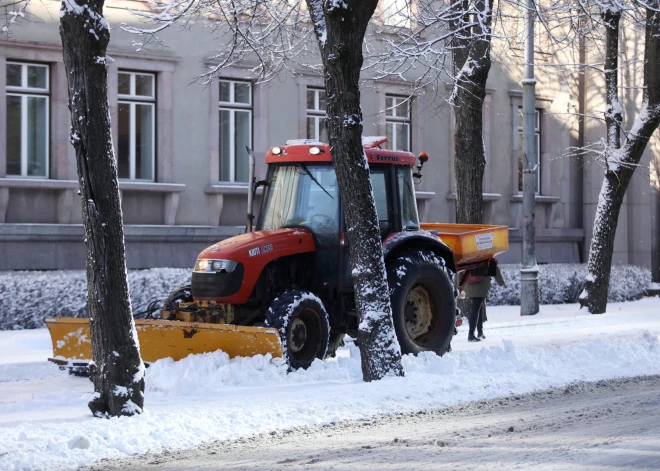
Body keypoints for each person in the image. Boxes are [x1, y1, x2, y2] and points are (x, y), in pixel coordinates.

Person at [458, 264, 505, 342]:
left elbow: (462, 271)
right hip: (481, 287)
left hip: (469, 286)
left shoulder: (472, 258)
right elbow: (496, 270)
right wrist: (501, 283)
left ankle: (480, 332)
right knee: (475, 311)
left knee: (478, 309)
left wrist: (460, 285)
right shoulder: (487, 258)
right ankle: (471, 334)